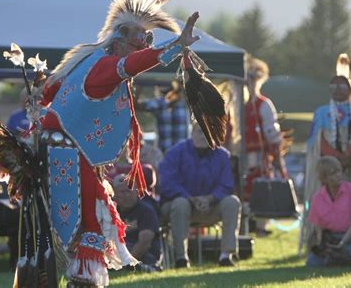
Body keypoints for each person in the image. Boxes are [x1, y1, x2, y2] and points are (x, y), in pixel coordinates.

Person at [37, 0, 201, 285]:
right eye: (140, 39)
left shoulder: (86, 61)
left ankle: (77, 279)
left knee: (93, 219)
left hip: (71, 151)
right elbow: (132, 66)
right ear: (121, 36)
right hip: (68, 153)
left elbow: (49, 92)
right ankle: (81, 280)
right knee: (89, 224)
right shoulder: (102, 66)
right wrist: (174, 47)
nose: (143, 45)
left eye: (149, 40)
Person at [304, 54, 351, 250]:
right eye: (333, 85)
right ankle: (318, 240)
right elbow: (317, 142)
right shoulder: (321, 112)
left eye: (342, 85)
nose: (337, 89)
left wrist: (348, 156)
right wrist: (334, 158)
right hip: (328, 167)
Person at [159, 125, 241, 268]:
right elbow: (167, 183)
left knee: (232, 202)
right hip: (179, 206)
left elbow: (227, 185)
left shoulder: (223, 155)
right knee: (180, 204)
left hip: (211, 206)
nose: (204, 136)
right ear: (192, 133)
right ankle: (181, 258)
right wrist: (190, 198)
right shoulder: (175, 153)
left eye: (208, 132)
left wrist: (210, 198)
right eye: (200, 132)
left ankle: (225, 256)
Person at [244, 57, 288, 235]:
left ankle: (261, 226)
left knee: (261, 188)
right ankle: (244, 226)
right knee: (242, 189)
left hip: (259, 155)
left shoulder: (264, 104)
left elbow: (272, 133)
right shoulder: (236, 104)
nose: (249, 83)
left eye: (253, 79)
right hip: (240, 154)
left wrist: (277, 155)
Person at [306, 156, 351, 267]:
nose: (338, 175)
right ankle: (336, 257)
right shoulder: (317, 198)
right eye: (333, 173)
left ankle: (337, 257)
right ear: (323, 179)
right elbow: (318, 227)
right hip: (331, 237)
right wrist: (322, 244)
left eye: (339, 171)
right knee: (312, 263)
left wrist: (342, 242)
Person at [112, 174, 162, 272]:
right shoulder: (111, 213)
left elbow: (145, 241)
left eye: (129, 191)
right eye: (122, 192)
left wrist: (128, 263)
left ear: (136, 192)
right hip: (119, 255)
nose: (127, 195)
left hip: (145, 255)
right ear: (115, 195)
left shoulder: (146, 210)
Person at [137, 80, 191, 153]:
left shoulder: (185, 102)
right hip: (165, 155)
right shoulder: (159, 103)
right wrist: (139, 83)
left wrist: (139, 84)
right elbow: (136, 106)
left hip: (181, 155)